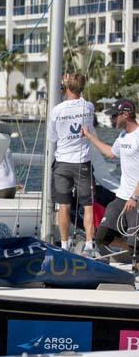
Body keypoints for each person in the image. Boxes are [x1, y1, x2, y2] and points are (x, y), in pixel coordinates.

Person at [47, 73, 97, 255]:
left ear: (67, 87)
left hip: (62, 163)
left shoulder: (57, 110)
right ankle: (90, 245)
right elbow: (90, 130)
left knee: (64, 205)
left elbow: (51, 137)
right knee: (88, 205)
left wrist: (63, 85)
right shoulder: (88, 107)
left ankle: (64, 245)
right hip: (82, 163)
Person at [83, 99, 138, 259]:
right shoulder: (123, 136)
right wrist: (90, 137)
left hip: (135, 197)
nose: (112, 119)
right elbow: (111, 153)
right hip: (122, 197)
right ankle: (130, 248)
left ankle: (135, 252)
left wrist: (134, 197)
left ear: (126, 114)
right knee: (102, 236)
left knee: (136, 241)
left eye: (115, 116)